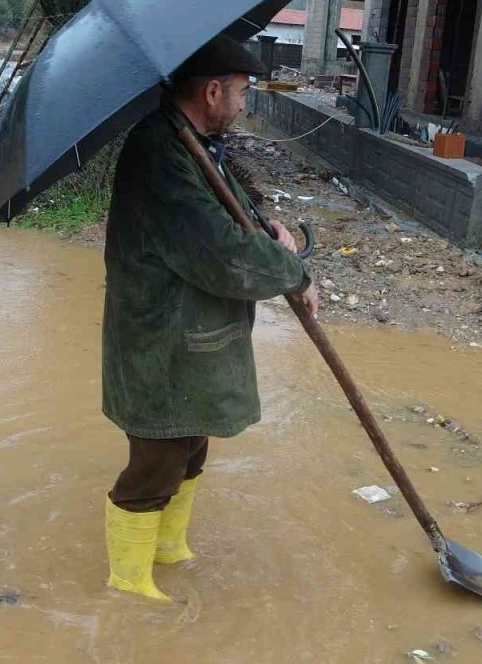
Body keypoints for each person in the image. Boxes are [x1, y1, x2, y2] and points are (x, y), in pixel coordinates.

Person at [100, 35, 318, 601]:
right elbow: (219, 255)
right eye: (243, 92)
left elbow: (233, 208)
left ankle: (168, 549)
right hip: (162, 338)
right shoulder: (159, 153)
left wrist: (271, 230)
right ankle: (127, 584)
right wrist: (293, 274)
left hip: (192, 333)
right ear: (214, 90)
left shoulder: (194, 139)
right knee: (156, 460)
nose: (245, 104)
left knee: (192, 446)